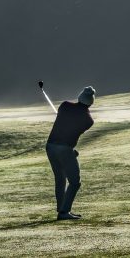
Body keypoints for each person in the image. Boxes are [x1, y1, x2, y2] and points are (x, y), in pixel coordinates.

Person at [46, 86, 95, 220]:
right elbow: (72, 133)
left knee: (60, 179)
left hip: (50, 146)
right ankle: (64, 212)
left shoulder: (64, 106)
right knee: (74, 182)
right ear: (91, 102)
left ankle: (61, 209)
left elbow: (68, 128)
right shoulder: (88, 120)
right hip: (64, 148)